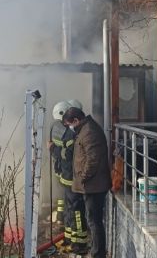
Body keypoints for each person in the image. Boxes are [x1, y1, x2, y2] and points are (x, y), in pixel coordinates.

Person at [63, 106, 111, 258]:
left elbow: (93, 159)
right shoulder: (84, 129)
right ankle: (96, 250)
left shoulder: (89, 131)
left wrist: (83, 177)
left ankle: (98, 254)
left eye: (69, 124)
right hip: (91, 185)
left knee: (94, 221)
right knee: (92, 220)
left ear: (76, 120)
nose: (70, 128)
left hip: (93, 186)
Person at [49, 99, 88, 254]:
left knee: (71, 208)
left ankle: (73, 239)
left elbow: (63, 152)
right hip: (71, 177)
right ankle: (77, 242)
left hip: (66, 176)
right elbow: (69, 154)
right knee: (75, 209)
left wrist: (53, 149)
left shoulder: (58, 128)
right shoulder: (70, 133)